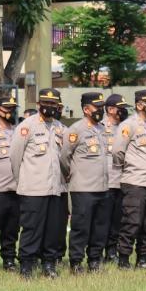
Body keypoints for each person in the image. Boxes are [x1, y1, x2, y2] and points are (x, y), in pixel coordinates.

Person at [9, 88, 69, 279]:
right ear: (38, 104)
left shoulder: (61, 128)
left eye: (53, 103)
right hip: (33, 189)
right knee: (31, 229)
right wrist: (23, 182)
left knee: (53, 229)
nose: (49, 106)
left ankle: (49, 265)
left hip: (55, 189)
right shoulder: (27, 127)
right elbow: (14, 158)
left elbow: (65, 158)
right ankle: (26, 266)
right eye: (46, 103)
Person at [112, 89, 146, 270]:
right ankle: (124, 259)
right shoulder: (129, 125)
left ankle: (143, 260)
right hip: (135, 182)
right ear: (139, 105)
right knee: (132, 222)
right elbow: (118, 151)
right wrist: (128, 168)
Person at [63, 91, 108, 273]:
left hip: (102, 187)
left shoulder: (103, 129)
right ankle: (76, 262)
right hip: (83, 188)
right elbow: (64, 157)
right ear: (86, 109)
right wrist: (72, 175)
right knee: (81, 228)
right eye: (97, 107)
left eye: (102, 107)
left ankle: (94, 261)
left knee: (99, 228)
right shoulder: (76, 130)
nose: (100, 110)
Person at [0, 97, 20, 273]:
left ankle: (9, 260)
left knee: (11, 229)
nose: (11, 112)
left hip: (15, 189)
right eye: (8, 108)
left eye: (13, 108)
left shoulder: (17, 131)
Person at [99, 94, 129, 264]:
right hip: (106, 181)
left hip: (123, 180)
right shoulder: (100, 127)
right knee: (103, 219)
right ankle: (99, 250)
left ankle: (112, 251)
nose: (123, 111)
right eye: (120, 108)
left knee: (118, 219)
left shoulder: (126, 127)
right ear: (110, 109)